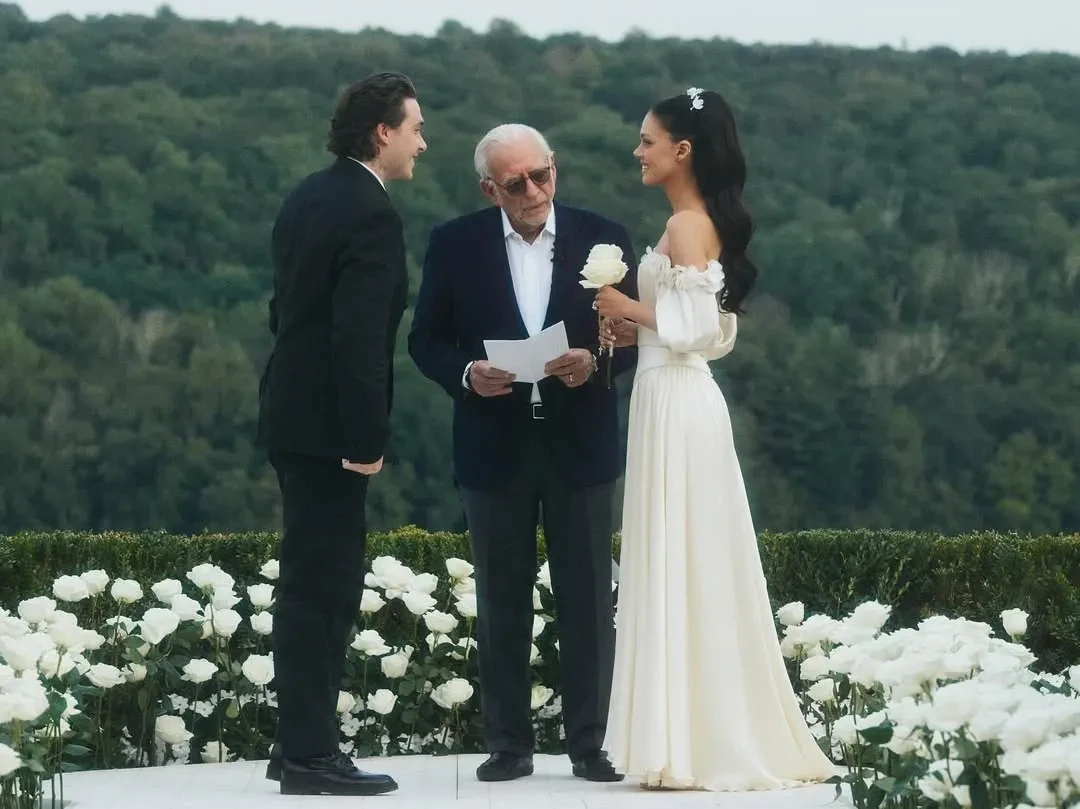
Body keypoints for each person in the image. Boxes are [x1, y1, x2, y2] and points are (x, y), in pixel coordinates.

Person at [594, 88, 840, 791]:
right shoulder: (692, 223)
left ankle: (694, 741)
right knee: (683, 554)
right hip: (669, 393)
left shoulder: (687, 225)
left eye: (647, 140)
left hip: (678, 400)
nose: (638, 151)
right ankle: (684, 737)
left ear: (682, 150)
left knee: (686, 554)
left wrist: (628, 306)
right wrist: (635, 328)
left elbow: (703, 328)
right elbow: (706, 326)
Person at [408, 124, 637, 783]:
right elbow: (426, 339)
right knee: (500, 598)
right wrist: (466, 372)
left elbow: (636, 336)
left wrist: (594, 361)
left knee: (588, 598)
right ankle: (509, 743)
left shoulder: (605, 236)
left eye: (543, 174)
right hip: (493, 441)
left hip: (581, 442)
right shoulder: (454, 243)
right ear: (490, 189)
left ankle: (592, 743)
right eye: (517, 183)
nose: (534, 190)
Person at [256, 71, 426, 797]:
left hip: (290, 412)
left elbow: (283, 310)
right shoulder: (370, 214)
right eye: (415, 128)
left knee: (306, 580)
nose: (422, 142)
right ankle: (309, 756)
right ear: (382, 132)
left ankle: (295, 742)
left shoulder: (307, 196)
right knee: (325, 589)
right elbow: (359, 339)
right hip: (331, 428)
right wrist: (366, 436)